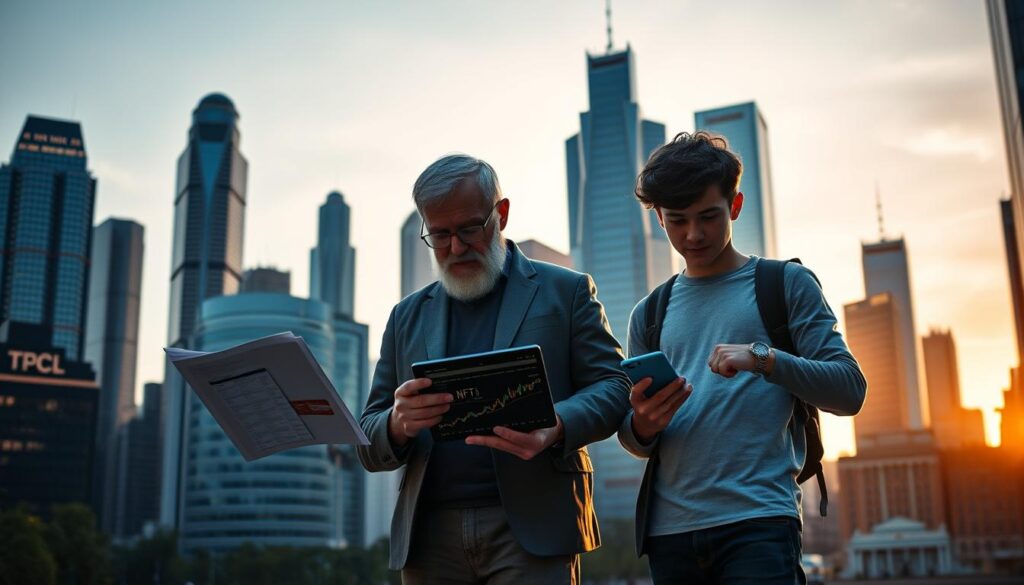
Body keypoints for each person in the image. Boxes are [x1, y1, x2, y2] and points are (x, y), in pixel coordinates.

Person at [357, 154, 631, 584]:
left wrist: (555, 426)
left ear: (501, 214)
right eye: (440, 235)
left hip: (536, 525)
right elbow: (367, 437)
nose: (455, 248)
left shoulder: (567, 290)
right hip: (428, 537)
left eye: (469, 229)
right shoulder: (405, 316)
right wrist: (396, 422)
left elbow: (615, 386)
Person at [617, 132, 867, 584]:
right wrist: (643, 425)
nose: (693, 234)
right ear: (658, 218)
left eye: (708, 217)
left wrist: (764, 359)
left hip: (759, 523)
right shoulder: (647, 314)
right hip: (669, 535)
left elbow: (850, 391)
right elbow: (635, 440)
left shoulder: (786, 284)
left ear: (735, 206)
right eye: (677, 220)